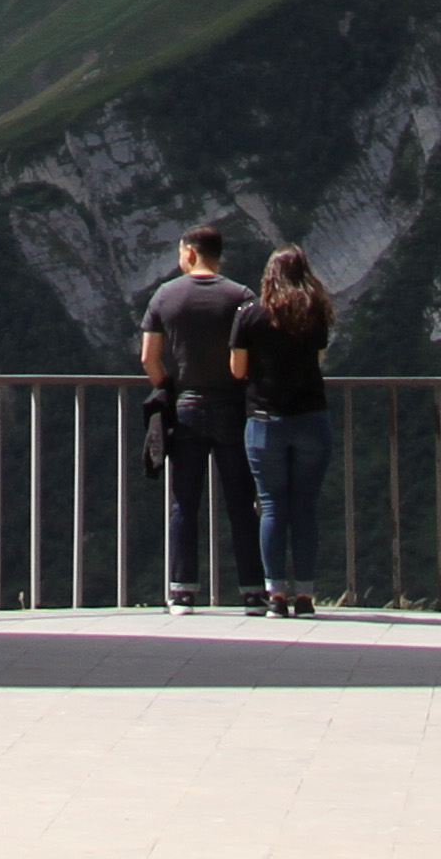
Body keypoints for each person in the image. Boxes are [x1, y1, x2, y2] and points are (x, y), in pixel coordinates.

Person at [139, 224, 259, 612]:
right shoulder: (241, 296)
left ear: (190, 253)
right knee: (242, 503)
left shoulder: (166, 296)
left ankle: (182, 591)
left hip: (187, 406)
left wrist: (169, 388)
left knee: (184, 503)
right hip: (232, 408)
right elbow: (252, 355)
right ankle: (253, 591)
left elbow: (149, 358)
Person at [232, 245, 336, 619]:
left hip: (264, 421)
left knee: (272, 506)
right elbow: (318, 360)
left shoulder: (250, 315)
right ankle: (305, 596)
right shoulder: (316, 314)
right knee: (305, 507)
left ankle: (275, 594)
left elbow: (238, 370)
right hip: (311, 417)